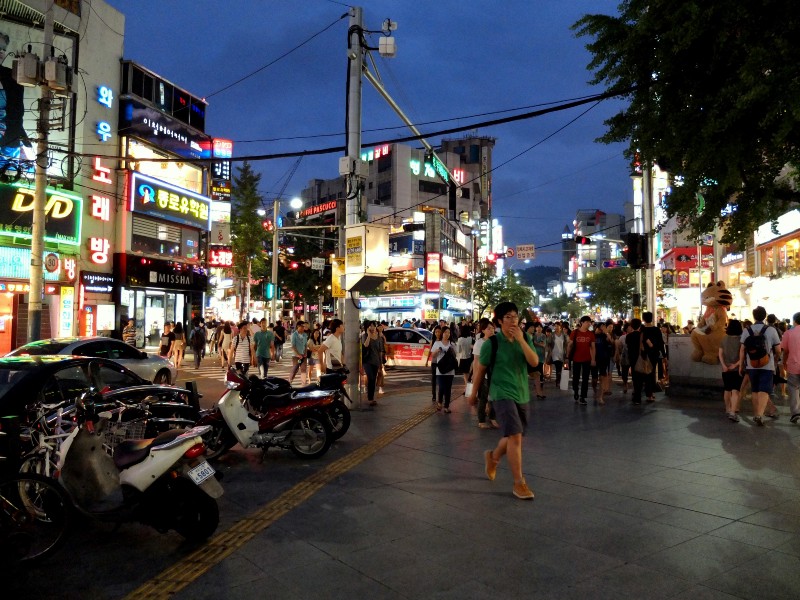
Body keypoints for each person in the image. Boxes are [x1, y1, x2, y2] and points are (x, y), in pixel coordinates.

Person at [466, 302, 538, 500]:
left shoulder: (526, 338)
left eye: (515, 316)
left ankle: (493, 457)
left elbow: (534, 362)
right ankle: (518, 483)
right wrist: (473, 394)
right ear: (499, 321)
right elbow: (480, 370)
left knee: (516, 436)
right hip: (501, 393)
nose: (513, 320)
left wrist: (522, 340)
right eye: (508, 317)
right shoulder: (492, 343)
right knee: (515, 436)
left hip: (522, 393)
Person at [739, 306, 782, 426]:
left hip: (751, 365)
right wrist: (775, 360)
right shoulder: (771, 330)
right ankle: (759, 415)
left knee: (755, 390)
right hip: (767, 365)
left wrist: (741, 365)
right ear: (765, 316)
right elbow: (778, 349)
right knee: (764, 390)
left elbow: (742, 349)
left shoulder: (747, 330)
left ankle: (756, 413)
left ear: (754, 316)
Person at [472, 318, 498, 429]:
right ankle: (481, 420)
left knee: (494, 398)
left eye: (492, 328)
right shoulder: (479, 343)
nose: (491, 330)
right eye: (488, 328)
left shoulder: (496, 341)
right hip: (483, 375)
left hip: (495, 374)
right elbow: (476, 361)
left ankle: (493, 418)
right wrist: (475, 376)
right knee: (483, 398)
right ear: (483, 330)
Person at [718, 319, 744, 422]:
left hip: (725, 369)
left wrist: (724, 365)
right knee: (735, 390)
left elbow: (720, 353)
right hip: (737, 369)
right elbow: (742, 356)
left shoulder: (724, 339)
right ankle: (733, 412)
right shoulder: (741, 340)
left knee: (727, 389)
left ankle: (727, 409)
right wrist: (736, 365)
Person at [568, 316, 595, 405]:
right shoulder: (575, 333)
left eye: (589, 322)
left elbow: (593, 347)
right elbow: (570, 345)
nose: (589, 324)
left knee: (585, 378)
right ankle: (576, 391)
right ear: (582, 322)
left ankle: (583, 396)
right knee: (576, 377)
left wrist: (593, 359)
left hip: (587, 359)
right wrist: (567, 357)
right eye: (587, 322)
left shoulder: (591, 334)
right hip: (576, 359)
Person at [430, 327, 457, 412]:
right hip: (440, 369)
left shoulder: (452, 344)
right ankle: (440, 402)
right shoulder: (437, 343)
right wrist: (437, 351)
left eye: (449, 333)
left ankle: (446, 406)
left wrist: (452, 351)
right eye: (445, 332)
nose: (447, 334)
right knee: (441, 387)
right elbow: (433, 356)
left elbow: (455, 356)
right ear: (442, 333)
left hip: (450, 370)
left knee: (448, 388)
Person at [640, 312, 665, 402]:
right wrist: (664, 354)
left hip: (645, 354)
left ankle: (649, 394)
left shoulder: (642, 330)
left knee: (647, 374)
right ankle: (651, 393)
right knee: (652, 372)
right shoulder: (656, 329)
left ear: (643, 319)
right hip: (655, 354)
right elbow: (661, 343)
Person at [781, 312, 800, 423]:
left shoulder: (788, 333)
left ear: (794, 321)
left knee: (793, 388)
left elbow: (786, 351)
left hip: (793, 364)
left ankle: (795, 412)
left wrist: (784, 363)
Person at [527, 323, 546, 399]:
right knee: (536, 375)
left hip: (533, 357)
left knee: (537, 375)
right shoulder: (526, 335)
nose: (533, 329)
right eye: (532, 327)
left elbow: (543, 344)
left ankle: (539, 393)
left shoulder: (532, 336)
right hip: (529, 358)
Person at [426, 326, 443, 404]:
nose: (437, 333)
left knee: (440, 379)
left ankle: (440, 394)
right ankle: (434, 395)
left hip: (441, 363)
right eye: (436, 332)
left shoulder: (443, 341)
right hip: (434, 362)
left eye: (439, 331)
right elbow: (430, 351)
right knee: (434, 379)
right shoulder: (433, 341)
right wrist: (426, 361)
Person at [549, 321, 569, 388]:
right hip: (555, 353)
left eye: (558, 326)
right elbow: (548, 344)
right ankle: (558, 381)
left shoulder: (564, 335)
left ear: (561, 327)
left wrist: (567, 354)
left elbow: (567, 345)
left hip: (562, 353)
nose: (556, 327)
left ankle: (561, 380)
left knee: (563, 367)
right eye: (555, 326)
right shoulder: (552, 335)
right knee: (558, 366)